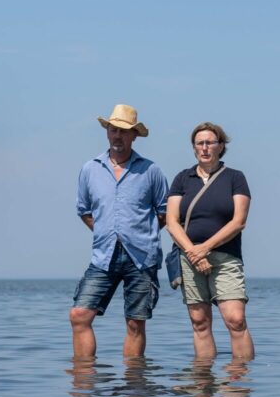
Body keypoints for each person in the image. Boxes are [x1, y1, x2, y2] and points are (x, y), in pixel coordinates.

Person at [70, 104, 169, 360]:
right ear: (107, 132)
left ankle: (133, 382)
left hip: (142, 257)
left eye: (124, 131)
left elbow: (165, 212)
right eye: (113, 130)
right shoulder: (90, 169)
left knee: (135, 323)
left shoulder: (151, 171)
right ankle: (85, 377)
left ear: (134, 135)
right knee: (79, 315)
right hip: (103, 256)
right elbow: (84, 210)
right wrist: (107, 232)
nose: (118, 136)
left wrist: (141, 233)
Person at [166, 122, 255, 360]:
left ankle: (240, 377)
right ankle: (203, 379)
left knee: (236, 319)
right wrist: (193, 253)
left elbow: (239, 221)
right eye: (199, 143)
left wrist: (205, 248)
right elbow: (172, 222)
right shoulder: (182, 178)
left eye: (210, 143)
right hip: (189, 257)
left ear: (221, 146)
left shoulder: (235, 177)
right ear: (194, 147)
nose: (204, 148)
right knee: (200, 321)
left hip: (225, 256)